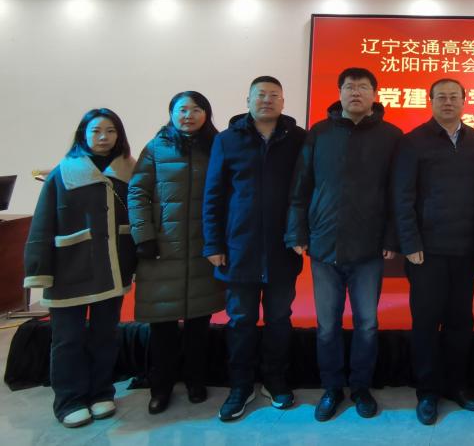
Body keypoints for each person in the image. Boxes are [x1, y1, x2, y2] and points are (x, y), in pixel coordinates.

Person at [286, 67, 403, 422]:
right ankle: (332, 387)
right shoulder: (319, 133)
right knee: (327, 326)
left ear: (374, 94)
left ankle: (361, 387)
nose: (355, 92)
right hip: (325, 245)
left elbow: (398, 193)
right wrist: (297, 233)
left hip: (369, 248)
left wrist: (391, 237)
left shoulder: (391, 136)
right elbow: (300, 185)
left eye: (363, 87)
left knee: (367, 324)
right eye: (349, 87)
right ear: (339, 93)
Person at [24, 109, 137, 428]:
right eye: (96, 130)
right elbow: (42, 223)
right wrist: (38, 268)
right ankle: (69, 400)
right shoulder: (64, 173)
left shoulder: (128, 172)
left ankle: (101, 392)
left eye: (111, 131)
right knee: (68, 338)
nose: (104, 137)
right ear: (83, 134)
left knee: (105, 335)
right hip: (69, 268)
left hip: (112, 268)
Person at [203, 76, 306, 421]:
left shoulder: (298, 139)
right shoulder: (227, 140)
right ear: (247, 100)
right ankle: (240, 386)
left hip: (282, 248)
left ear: (283, 101)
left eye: (274, 95)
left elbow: (307, 191)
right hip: (238, 248)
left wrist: (301, 234)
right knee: (241, 320)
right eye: (260, 95)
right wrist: (213, 243)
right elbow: (214, 195)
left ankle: (275, 381)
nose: (267, 100)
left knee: (279, 319)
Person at [391, 78, 474, 425]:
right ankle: (428, 391)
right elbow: (402, 196)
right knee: (426, 321)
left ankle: (457, 385)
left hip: (465, 248)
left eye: (454, 96)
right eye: (441, 97)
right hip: (426, 251)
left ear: (465, 100)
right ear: (430, 101)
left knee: (461, 320)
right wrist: (410, 243)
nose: (448, 102)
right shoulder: (413, 141)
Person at [128, 91, 224, 414]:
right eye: (182, 109)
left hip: (202, 248)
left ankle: (196, 380)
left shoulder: (217, 147)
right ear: (171, 113)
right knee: (162, 326)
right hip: (162, 250)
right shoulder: (156, 147)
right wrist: (143, 236)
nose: (188, 115)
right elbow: (137, 192)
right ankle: (161, 386)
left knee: (199, 324)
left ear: (206, 114)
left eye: (196, 109)